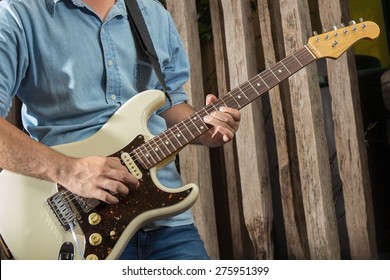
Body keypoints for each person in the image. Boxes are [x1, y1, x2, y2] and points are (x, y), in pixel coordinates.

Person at [0, 0, 240, 260]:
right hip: (76, 227)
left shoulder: (153, 15)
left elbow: (168, 104)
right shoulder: (19, 12)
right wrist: (70, 171)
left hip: (165, 223)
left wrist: (205, 129)